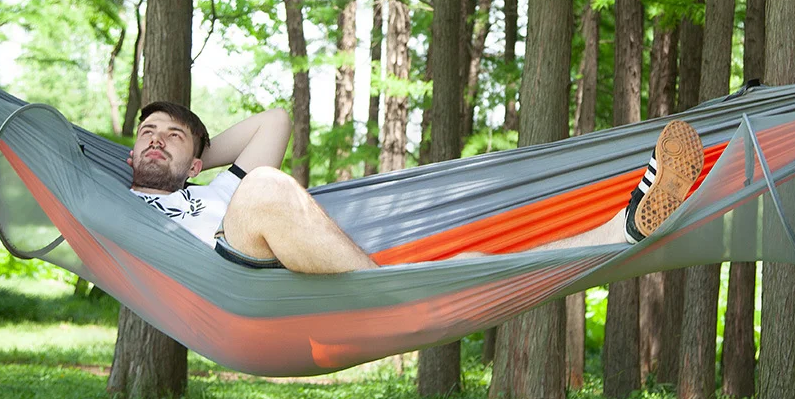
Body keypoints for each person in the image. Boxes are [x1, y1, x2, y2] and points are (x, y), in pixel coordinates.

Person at [128, 101, 704, 273]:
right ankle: (387, 287)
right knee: (262, 187)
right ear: (128, 151)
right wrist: (177, 148)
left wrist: (194, 153)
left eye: (172, 136)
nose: (157, 140)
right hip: (228, 280)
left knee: (466, 264)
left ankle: (620, 229)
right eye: (147, 133)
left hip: (279, 256)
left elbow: (274, 121)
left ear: (198, 160)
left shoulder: (214, 190)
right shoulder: (113, 199)